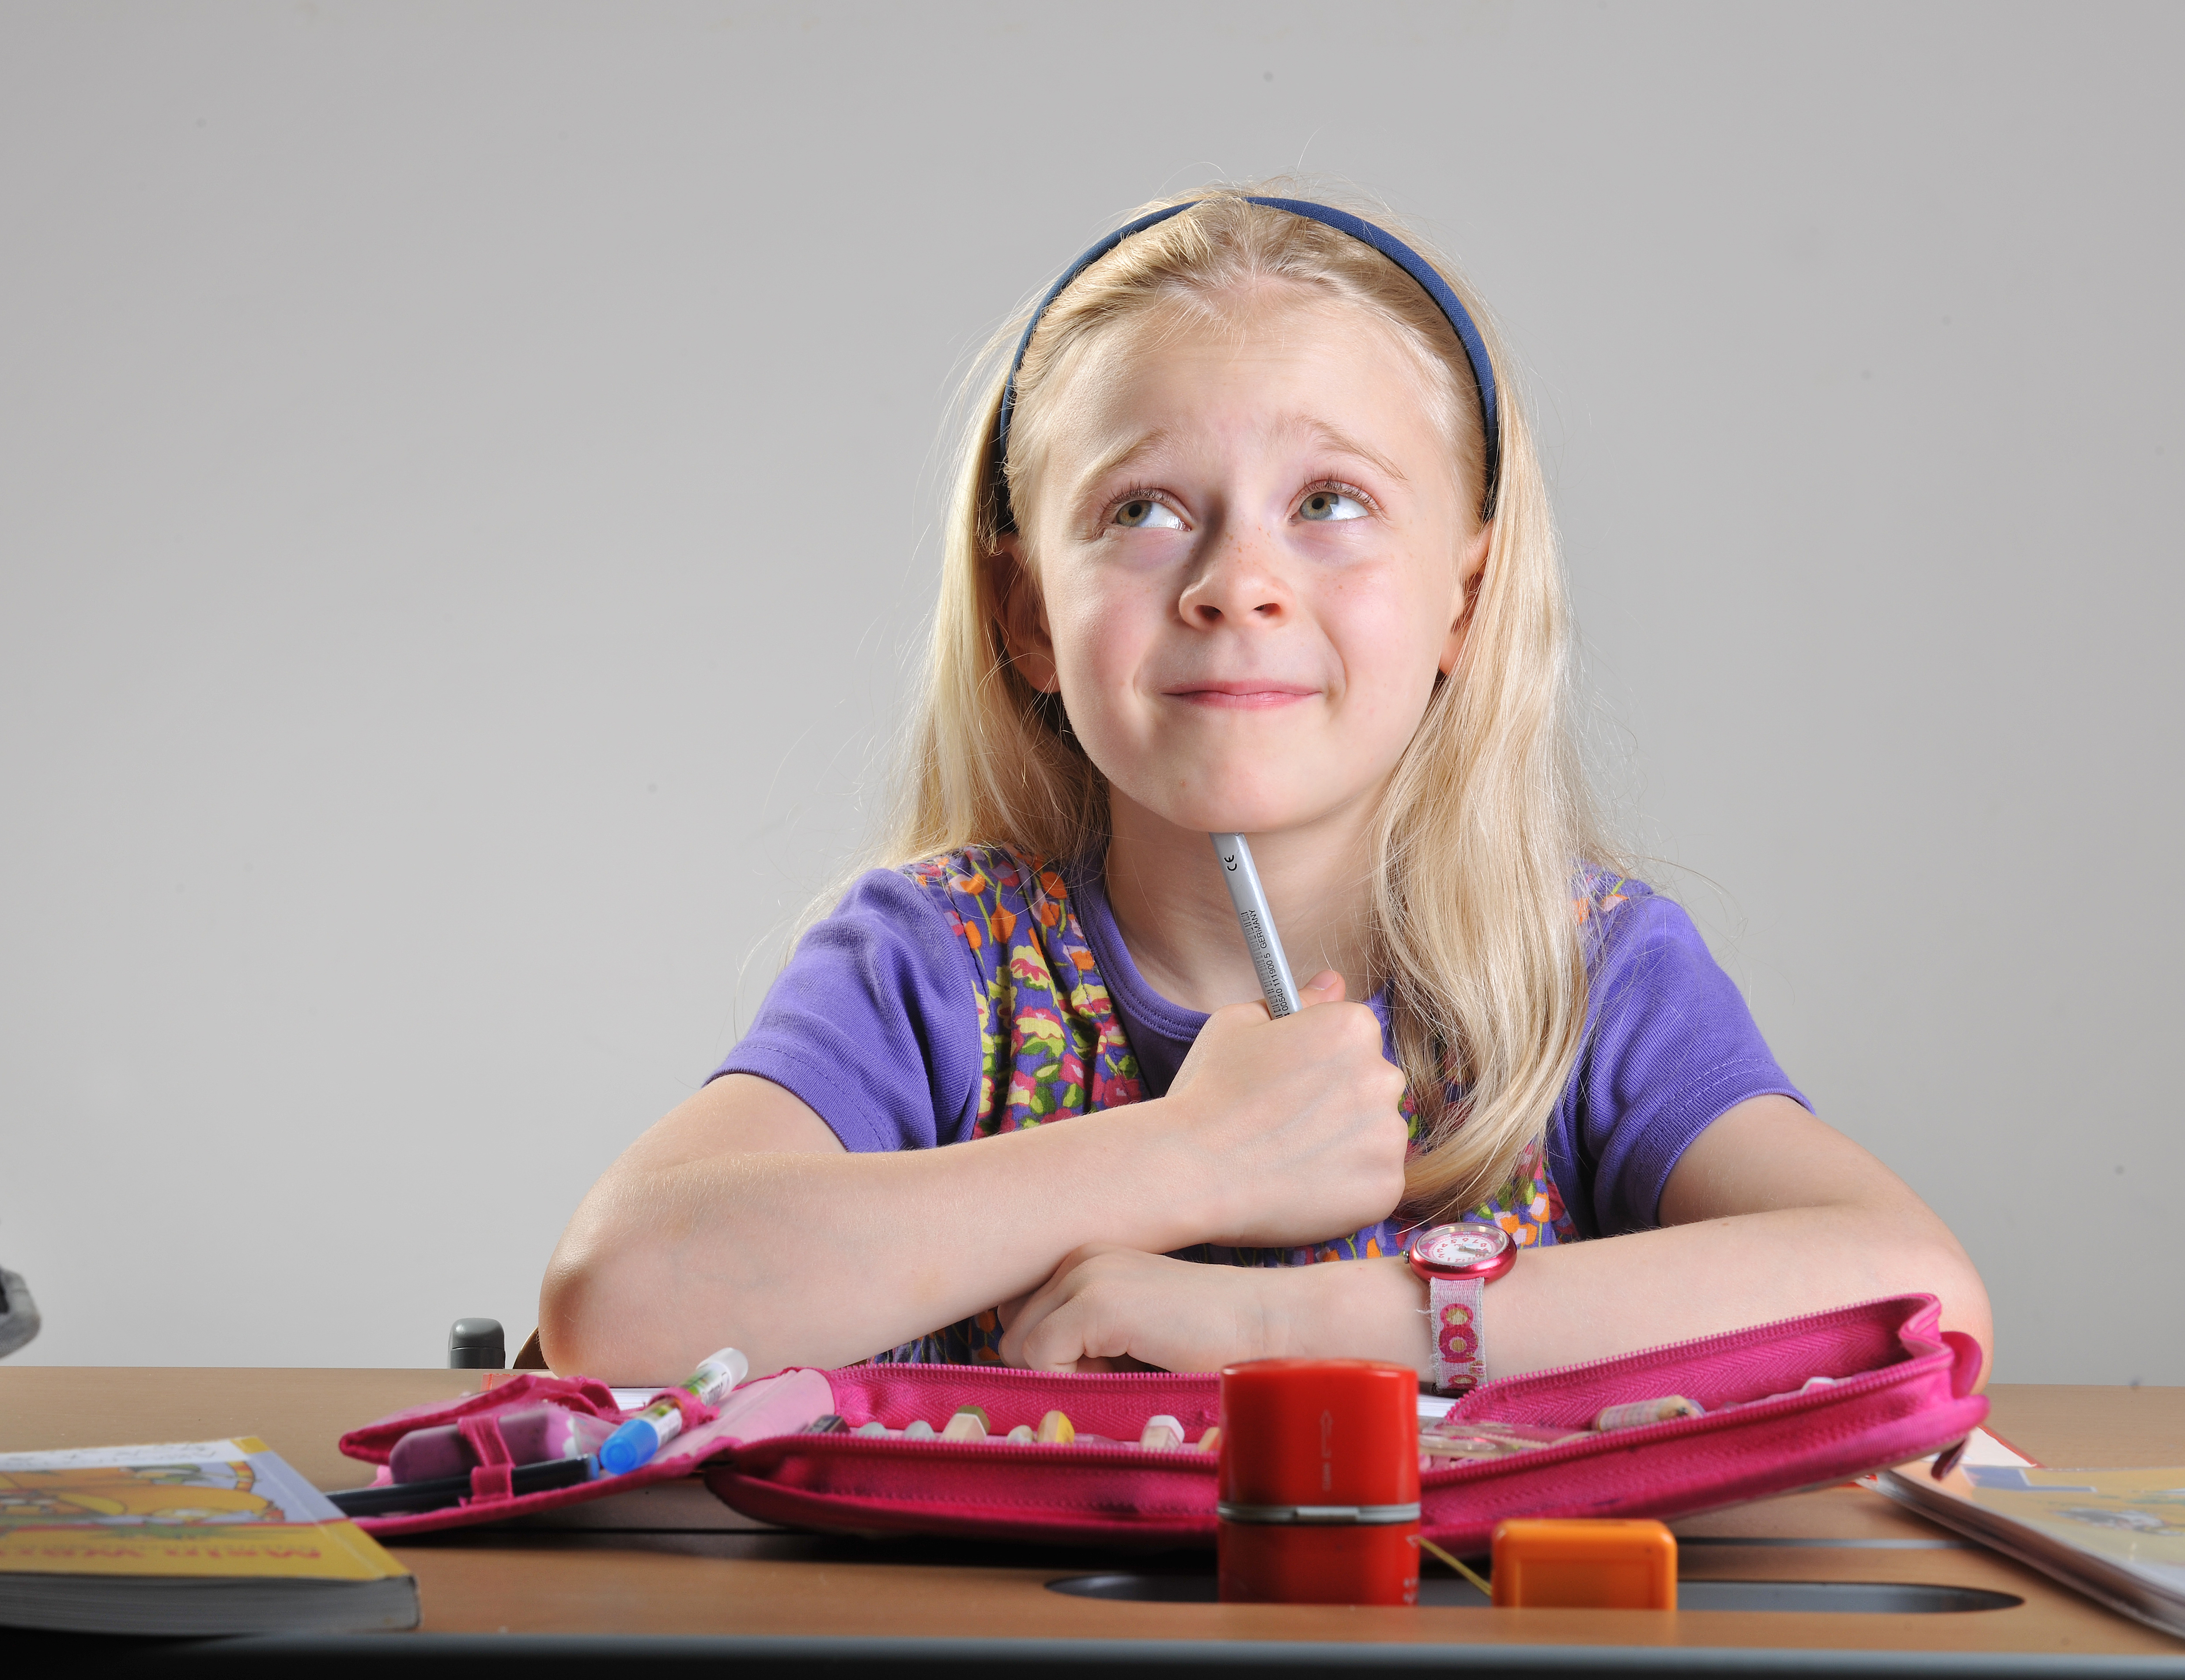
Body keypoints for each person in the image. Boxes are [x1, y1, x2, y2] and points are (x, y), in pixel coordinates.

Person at [538, 185, 1990, 1385]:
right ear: (1029, 614)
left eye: (1332, 504)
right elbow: (624, 1305)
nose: (1239, 584)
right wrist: (1189, 1156)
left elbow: (1914, 1304)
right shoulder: (935, 968)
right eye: (1144, 510)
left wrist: (1288, 1328)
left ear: (1465, 606)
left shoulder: (1583, 978)